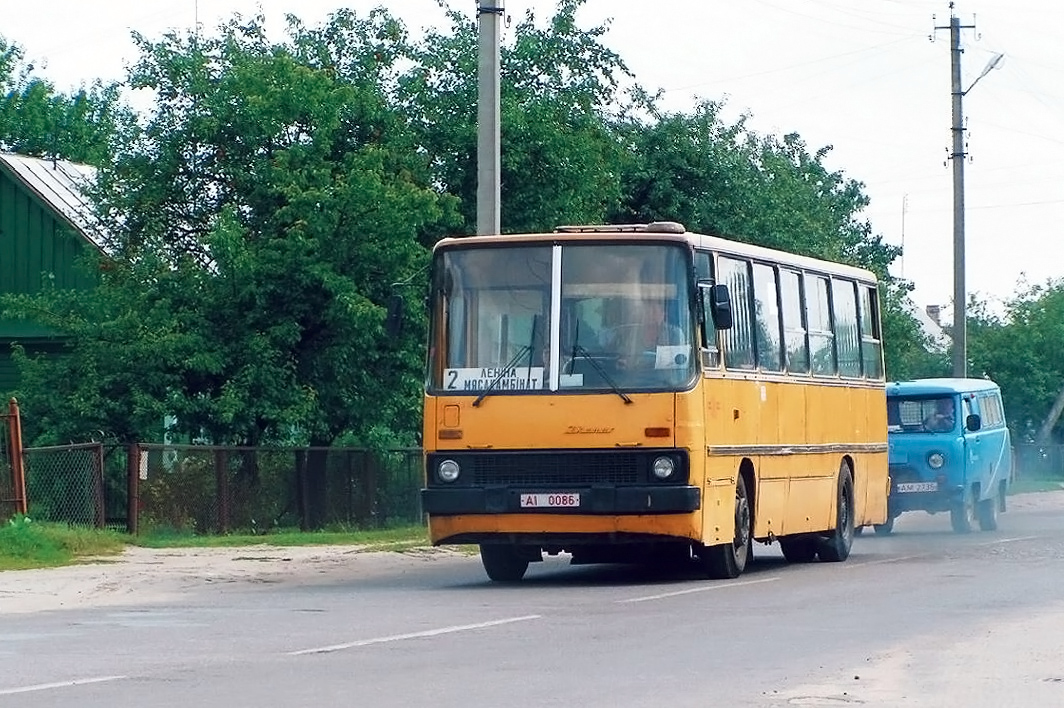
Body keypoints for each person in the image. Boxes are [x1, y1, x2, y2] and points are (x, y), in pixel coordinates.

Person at [600, 300, 686, 371]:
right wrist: (621, 362)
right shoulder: (628, 332)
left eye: (655, 312)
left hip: (666, 383)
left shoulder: (675, 334)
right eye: (647, 311)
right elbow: (613, 357)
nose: (651, 315)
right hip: (630, 381)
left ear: (664, 314)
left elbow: (679, 363)